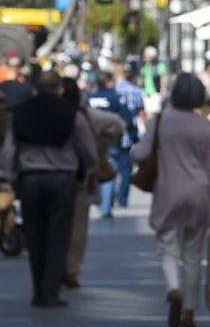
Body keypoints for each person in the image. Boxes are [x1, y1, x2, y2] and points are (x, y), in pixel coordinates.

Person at [132, 72, 210, 327]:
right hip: (200, 194)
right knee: (193, 255)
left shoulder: (160, 121)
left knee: (168, 248)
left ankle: (173, 288)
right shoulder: (203, 125)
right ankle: (189, 310)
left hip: (168, 193)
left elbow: (139, 153)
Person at [0, 69, 98, 307]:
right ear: (59, 88)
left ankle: (38, 288)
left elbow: (10, 148)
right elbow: (86, 147)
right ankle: (50, 291)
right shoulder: (70, 113)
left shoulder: (22, 113)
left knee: (35, 235)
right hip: (62, 179)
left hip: (30, 178)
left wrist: (7, 176)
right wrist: (90, 172)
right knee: (58, 235)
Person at [65, 75, 125, 288]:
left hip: (58, 176)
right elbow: (117, 124)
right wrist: (99, 145)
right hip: (79, 177)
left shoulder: (77, 115)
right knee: (78, 226)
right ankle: (71, 268)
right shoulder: (83, 115)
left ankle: (59, 268)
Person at [85, 70, 135, 220]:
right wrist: (133, 135)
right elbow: (128, 119)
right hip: (111, 137)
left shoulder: (89, 98)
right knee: (110, 167)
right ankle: (106, 206)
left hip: (92, 138)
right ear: (109, 82)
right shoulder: (116, 98)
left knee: (96, 167)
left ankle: (102, 201)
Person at [112, 63, 146, 209]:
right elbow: (141, 113)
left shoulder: (111, 90)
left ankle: (110, 195)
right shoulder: (135, 90)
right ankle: (123, 199)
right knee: (126, 168)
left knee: (112, 164)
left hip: (111, 134)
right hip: (129, 134)